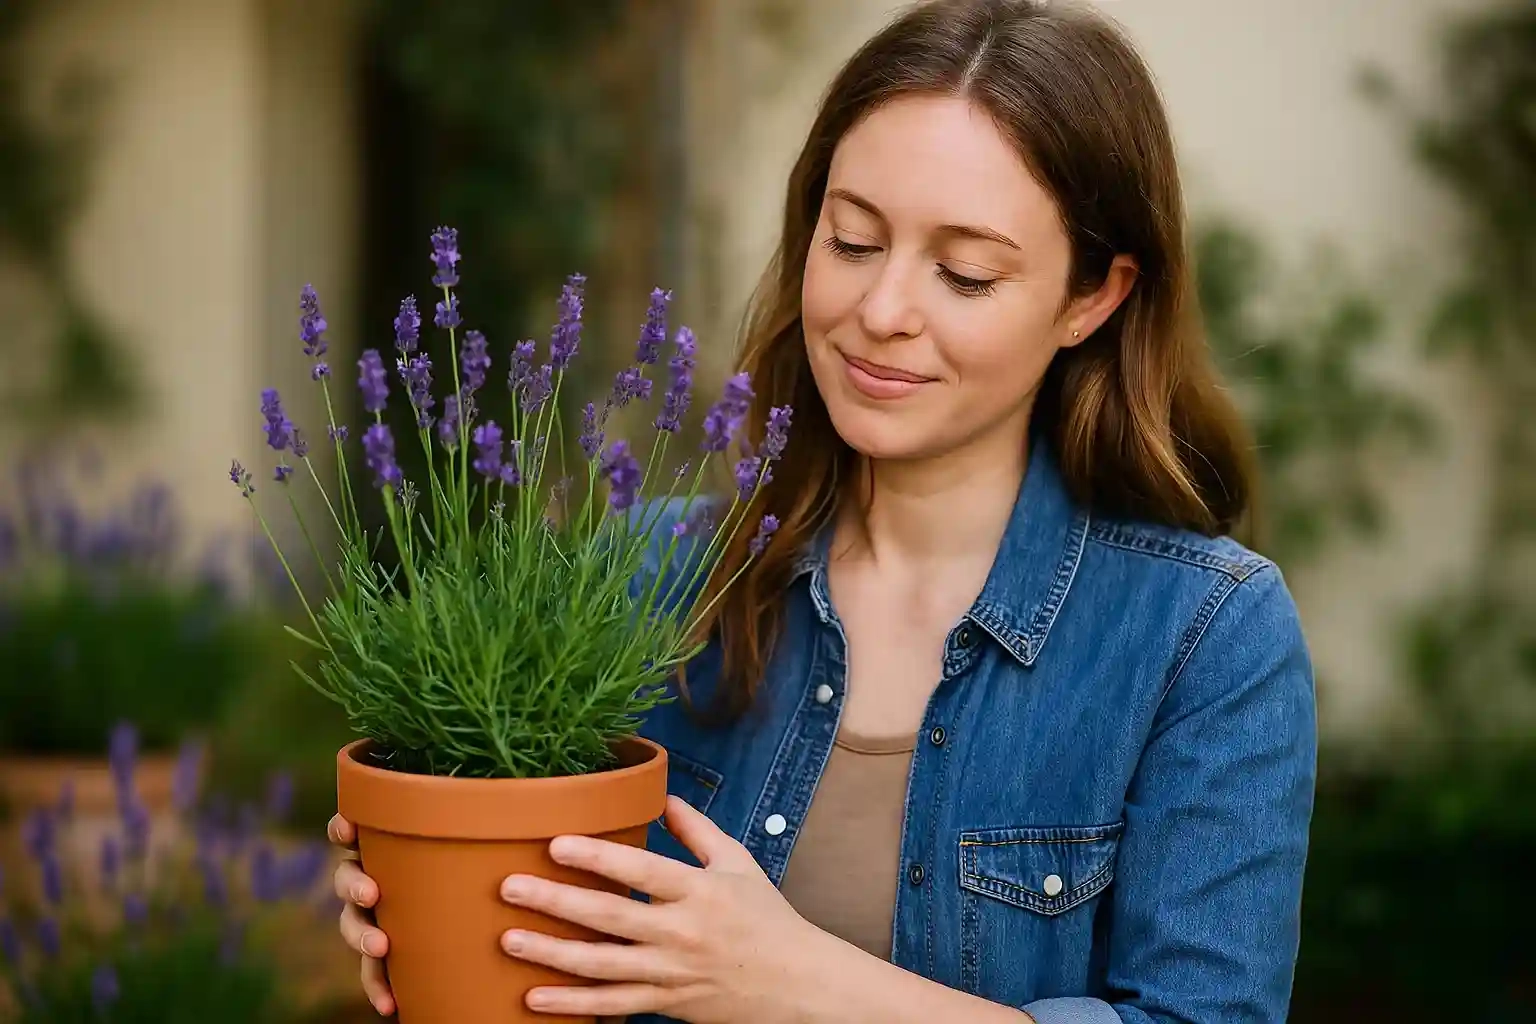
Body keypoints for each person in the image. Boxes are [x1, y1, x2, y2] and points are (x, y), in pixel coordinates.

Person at [328, 1, 1317, 1021]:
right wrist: (430, 906)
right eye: (852, 242)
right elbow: (529, 934)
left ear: (1092, 297)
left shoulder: (1202, 636)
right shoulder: (645, 576)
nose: (881, 311)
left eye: (964, 273)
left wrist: (790, 982)